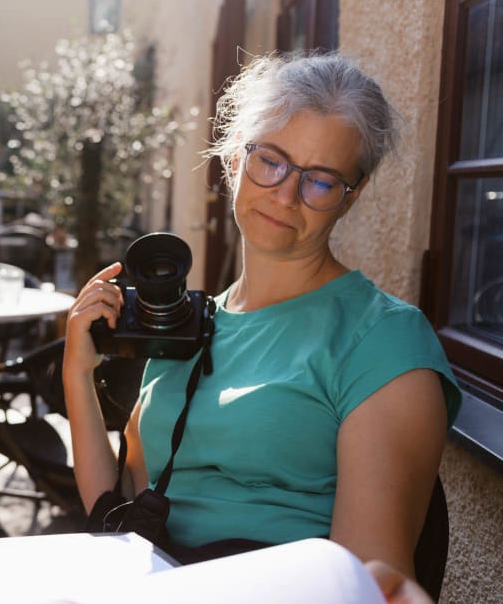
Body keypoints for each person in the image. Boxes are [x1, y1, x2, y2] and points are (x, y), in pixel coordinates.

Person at [63, 53, 459, 601]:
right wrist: (77, 375)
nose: (285, 194)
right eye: (271, 160)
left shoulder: (384, 341)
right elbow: (120, 511)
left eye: (321, 181)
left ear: (353, 195)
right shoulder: (192, 323)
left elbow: (369, 586)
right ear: (234, 159)